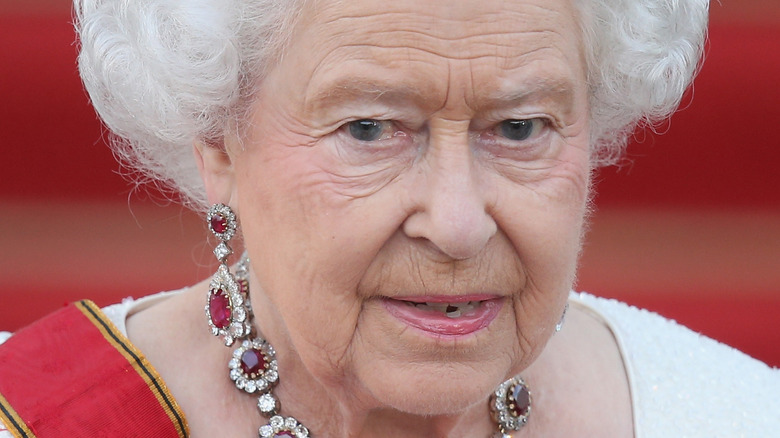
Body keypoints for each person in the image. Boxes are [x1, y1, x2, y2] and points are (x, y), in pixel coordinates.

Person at [0, 0, 777, 436]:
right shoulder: (38, 420)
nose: (458, 222)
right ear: (218, 141)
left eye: (519, 128)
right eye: (369, 129)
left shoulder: (731, 417)